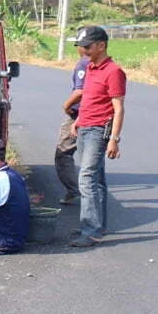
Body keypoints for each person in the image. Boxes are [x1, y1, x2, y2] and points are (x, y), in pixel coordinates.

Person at [69, 25, 126, 248]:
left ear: (101, 45)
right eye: (82, 46)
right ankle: (97, 226)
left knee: (87, 178)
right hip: (84, 127)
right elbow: (89, 99)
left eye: (87, 46)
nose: (83, 50)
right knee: (97, 180)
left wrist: (114, 138)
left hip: (98, 131)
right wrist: (78, 120)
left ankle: (90, 230)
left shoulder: (114, 71)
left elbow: (118, 108)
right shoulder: (91, 68)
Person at [56, 52, 89, 205]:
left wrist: (66, 105)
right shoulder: (105, 66)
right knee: (91, 158)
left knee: (63, 153)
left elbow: (80, 92)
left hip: (78, 114)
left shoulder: (84, 63)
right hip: (94, 115)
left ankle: (74, 190)